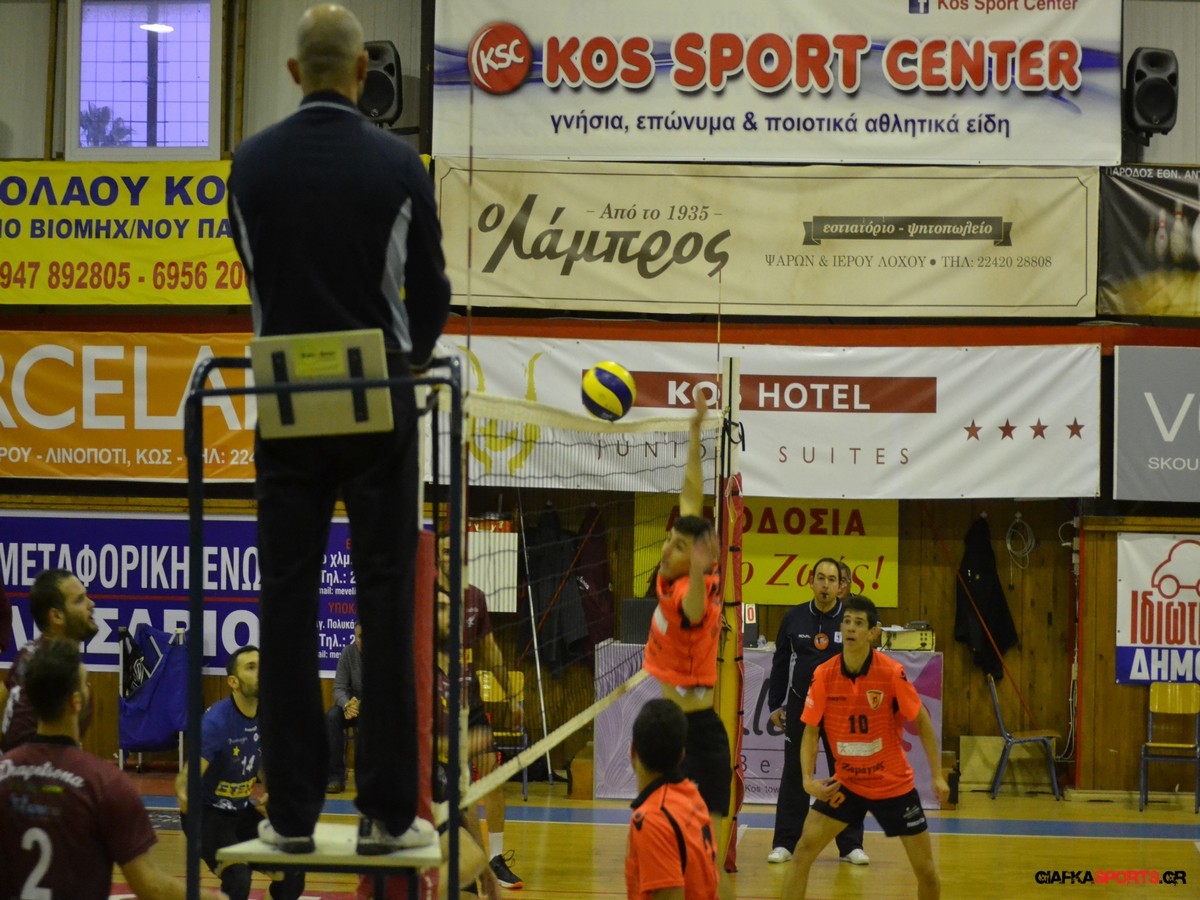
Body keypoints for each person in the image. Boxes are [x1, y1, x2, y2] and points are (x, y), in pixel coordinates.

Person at [227, 2, 451, 854]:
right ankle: (388, 814)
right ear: (364, 72)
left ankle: (289, 815)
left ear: (293, 73)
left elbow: (258, 274)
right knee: (386, 598)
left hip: (286, 399)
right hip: (377, 394)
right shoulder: (398, 163)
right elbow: (431, 291)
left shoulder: (249, 164)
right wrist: (408, 359)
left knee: (285, 598)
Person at [0, 638, 227, 900]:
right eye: (86, 684)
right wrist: (210, 898)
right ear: (76, 702)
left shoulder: (4, 773)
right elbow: (150, 885)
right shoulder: (104, 783)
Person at [781, 596, 949, 900]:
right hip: (848, 783)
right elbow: (811, 730)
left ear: (873, 632)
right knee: (803, 850)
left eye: (859, 623)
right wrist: (807, 780)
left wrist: (937, 775)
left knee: (926, 871)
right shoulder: (824, 674)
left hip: (893, 786)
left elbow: (922, 721)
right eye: (847, 621)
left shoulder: (891, 673)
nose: (850, 628)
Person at [641, 393, 732, 900]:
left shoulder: (690, 591)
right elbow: (692, 494)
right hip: (665, 729)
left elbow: (695, 611)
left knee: (705, 853)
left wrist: (697, 569)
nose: (667, 548)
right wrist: (696, 432)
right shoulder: (677, 567)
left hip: (699, 733)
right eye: (671, 540)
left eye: (678, 546)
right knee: (658, 838)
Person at [175, 646, 303, 900]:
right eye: (251, 667)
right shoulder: (215, 724)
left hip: (241, 811)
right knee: (238, 877)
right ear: (233, 682)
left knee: (292, 872)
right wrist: (187, 800)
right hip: (208, 815)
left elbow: (264, 757)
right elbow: (185, 780)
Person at [437, 531, 525, 890]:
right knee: (454, 789)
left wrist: (511, 698)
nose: (450, 556)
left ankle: (495, 858)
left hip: (470, 703)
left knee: (492, 779)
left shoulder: (475, 597)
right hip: (439, 703)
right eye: (444, 551)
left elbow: (490, 651)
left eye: (454, 550)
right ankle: (456, 857)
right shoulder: (430, 599)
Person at [766, 558, 868, 865]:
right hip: (801, 705)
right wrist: (775, 704)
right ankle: (785, 843)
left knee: (846, 773)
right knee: (795, 772)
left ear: (841, 586)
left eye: (831, 579)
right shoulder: (794, 617)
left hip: (841, 709)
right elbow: (780, 663)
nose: (825, 585)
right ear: (811, 582)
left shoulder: (850, 620)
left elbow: (864, 663)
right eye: (820, 578)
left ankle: (850, 845)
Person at [434, 589, 501, 899]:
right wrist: (457, 746)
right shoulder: (416, 676)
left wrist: (485, 870)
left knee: (471, 871)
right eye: (441, 608)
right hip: (408, 812)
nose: (451, 615)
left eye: (453, 608)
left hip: (443, 802)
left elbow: (463, 797)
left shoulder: (456, 680)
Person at [625, 698, 719, 900]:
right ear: (682, 754)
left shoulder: (652, 819)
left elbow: (670, 895)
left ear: (633, 751)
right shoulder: (692, 796)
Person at [1, 567, 98, 752]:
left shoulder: (29, 651)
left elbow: (4, 693)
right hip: (36, 764)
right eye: (79, 600)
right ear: (56, 616)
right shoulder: (59, 670)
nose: (91, 604)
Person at [325, 620, 363, 794]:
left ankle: (368, 778)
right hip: (350, 707)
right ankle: (335, 777)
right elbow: (339, 688)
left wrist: (360, 705)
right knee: (332, 716)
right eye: (360, 636)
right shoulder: (348, 653)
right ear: (355, 637)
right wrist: (347, 704)